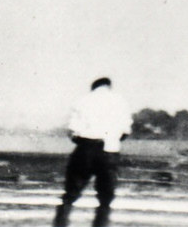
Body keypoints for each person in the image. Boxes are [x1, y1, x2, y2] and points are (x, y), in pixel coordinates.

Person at [54, 78, 131, 227]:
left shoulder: (82, 101)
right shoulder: (120, 101)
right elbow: (126, 131)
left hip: (85, 148)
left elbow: (72, 131)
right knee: (106, 197)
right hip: (109, 149)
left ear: (93, 87)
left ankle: (60, 224)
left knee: (71, 193)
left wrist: (86, 143)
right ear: (109, 86)